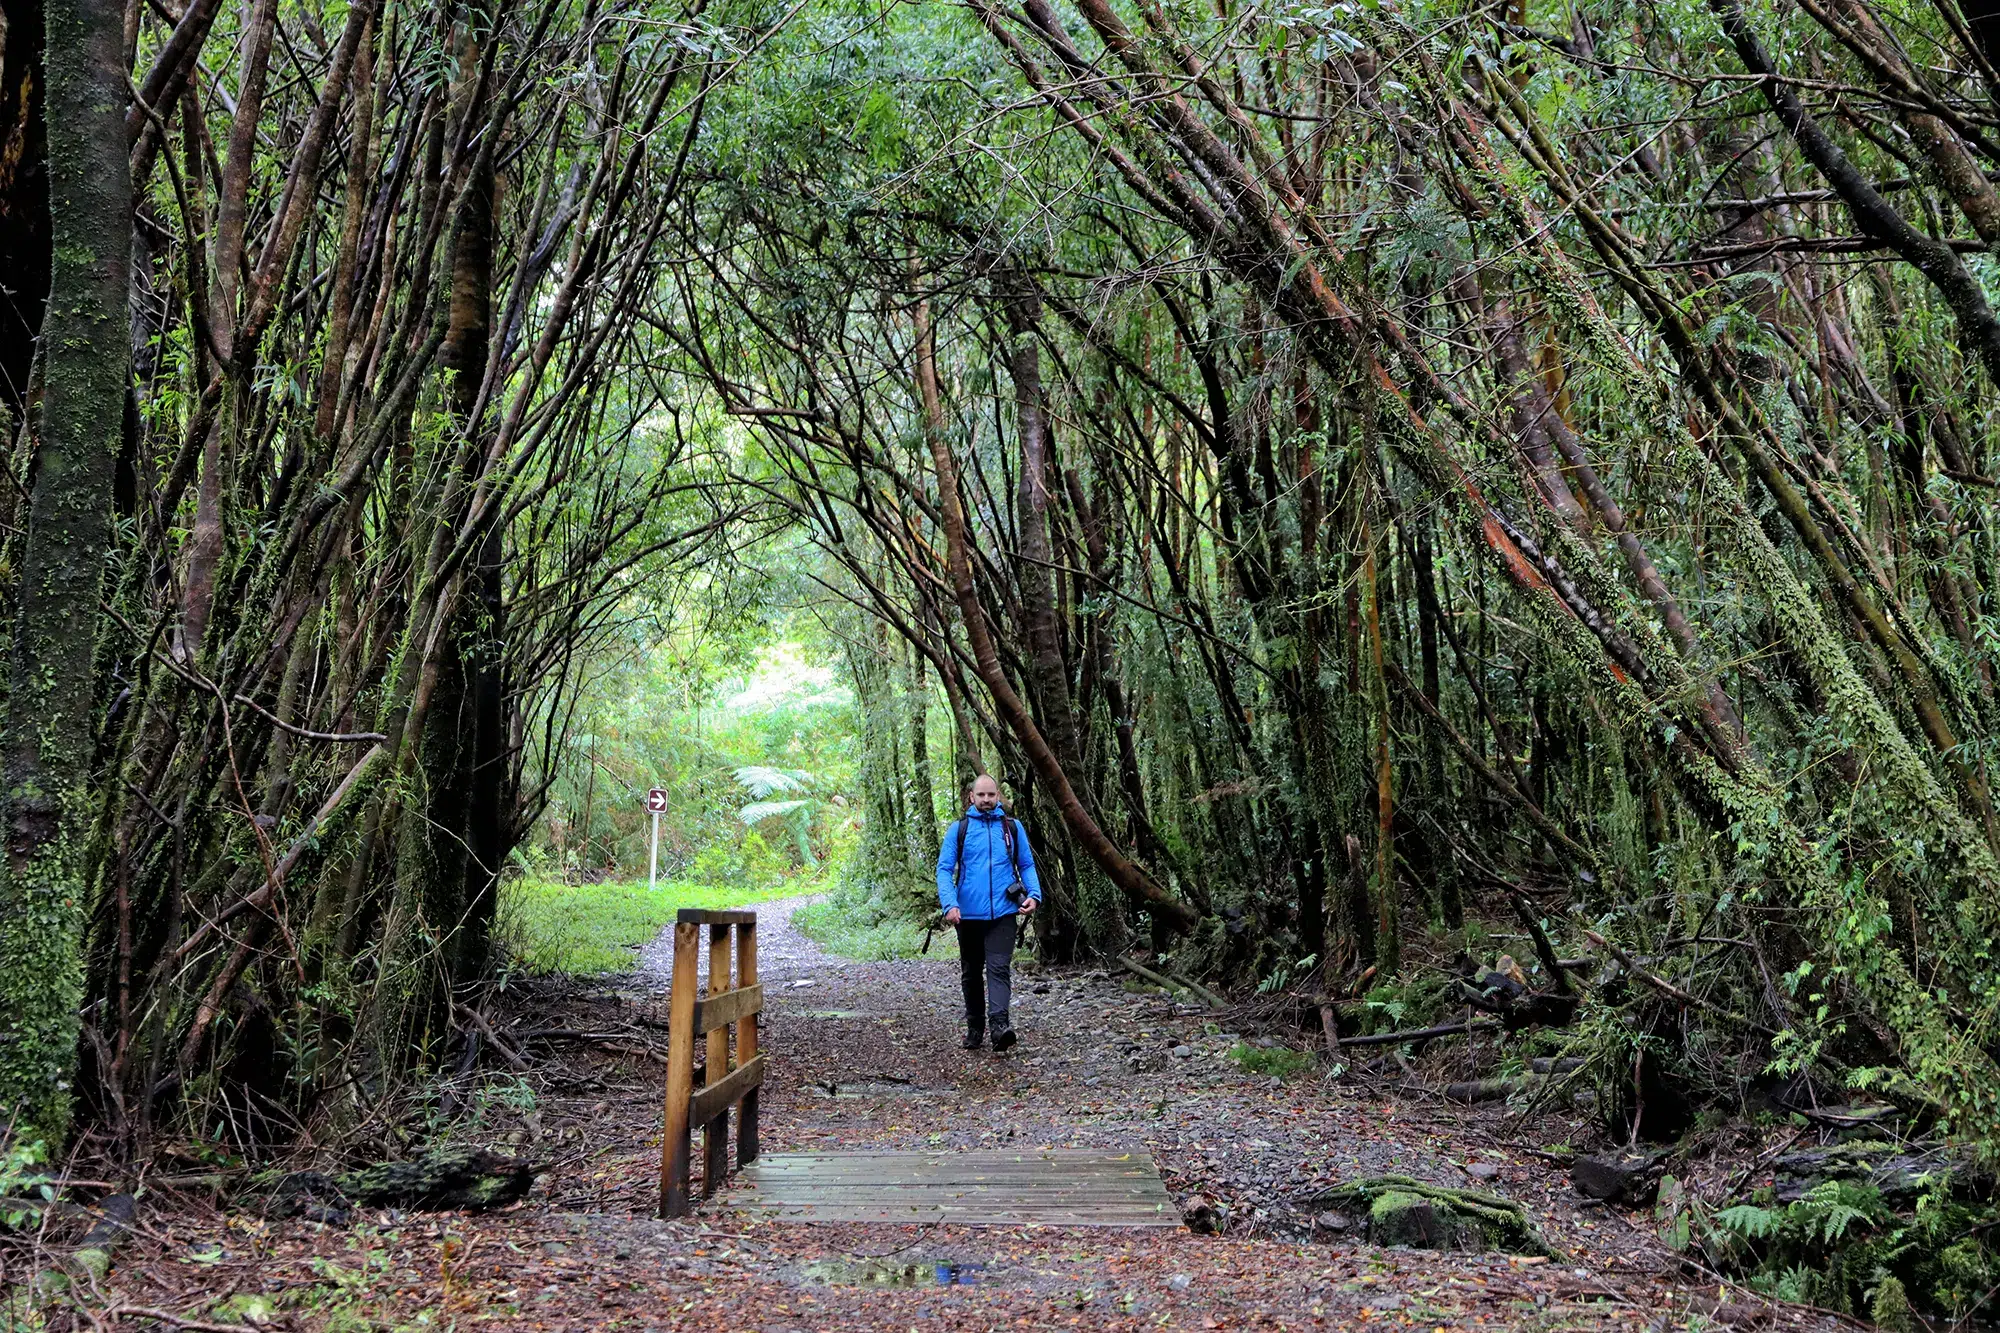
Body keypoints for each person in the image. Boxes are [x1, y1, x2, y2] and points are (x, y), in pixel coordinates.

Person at [936, 774, 1041, 1051]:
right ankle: (974, 1027)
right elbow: (944, 870)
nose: (986, 800)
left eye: (991, 795)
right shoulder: (958, 829)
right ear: (971, 796)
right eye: (981, 795)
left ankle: (999, 1027)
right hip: (967, 915)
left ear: (998, 796)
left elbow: (1026, 865)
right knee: (971, 972)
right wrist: (950, 904)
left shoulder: (1012, 828)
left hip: (1004, 913)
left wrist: (1034, 895)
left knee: (998, 969)